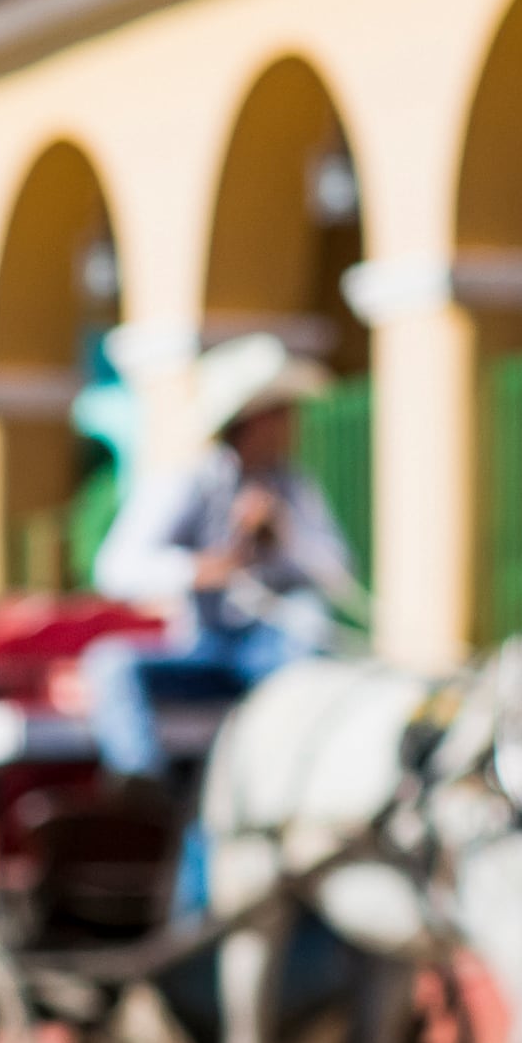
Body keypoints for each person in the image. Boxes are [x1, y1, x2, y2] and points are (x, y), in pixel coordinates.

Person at [79, 332, 365, 778]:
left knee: (313, 637)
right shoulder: (191, 481)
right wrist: (201, 568)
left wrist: (283, 534)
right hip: (206, 649)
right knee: (112, 664)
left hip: (279, 651)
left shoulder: (292, 487)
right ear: (253, 419)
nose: (291, 425)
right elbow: (116, 568)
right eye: (281, 414)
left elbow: (337, 570)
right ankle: (144, 782)